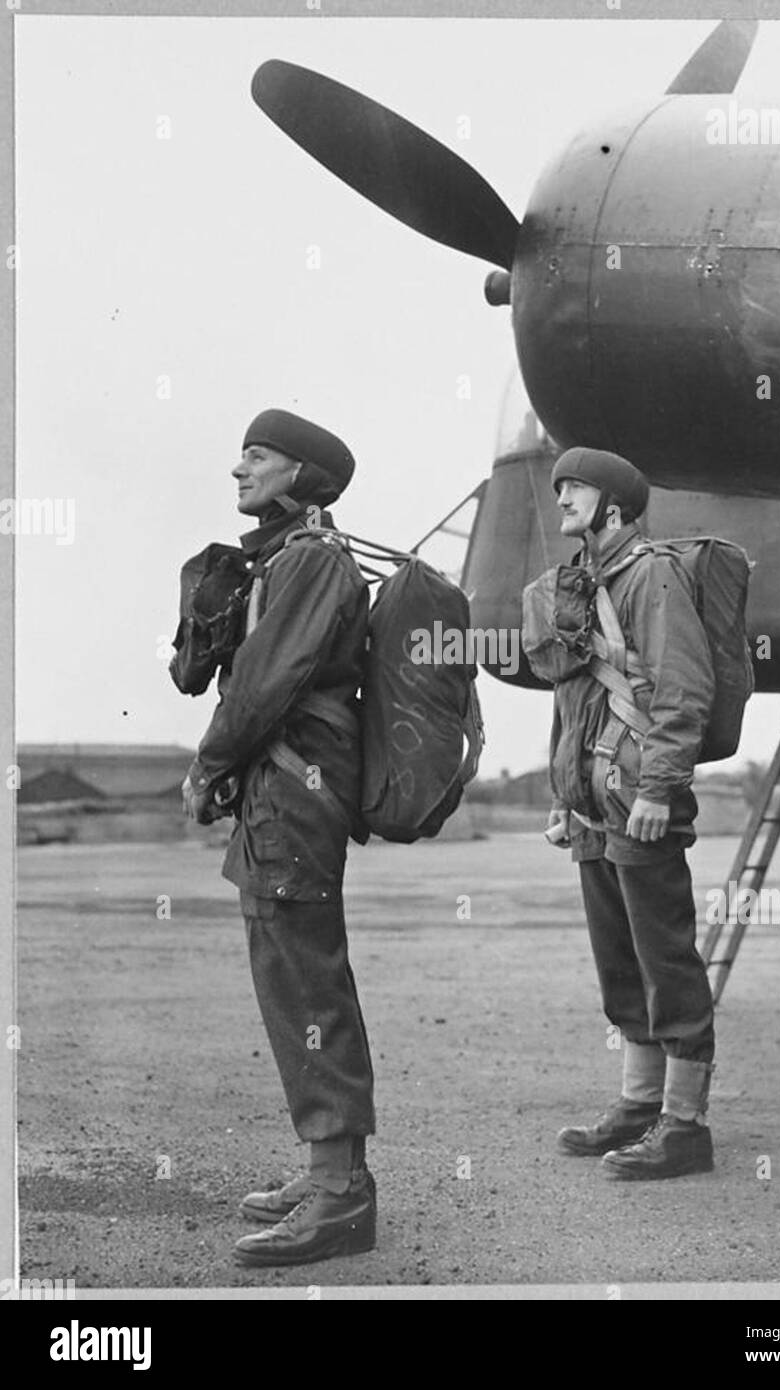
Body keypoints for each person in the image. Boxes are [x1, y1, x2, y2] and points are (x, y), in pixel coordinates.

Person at [180, 408, 376, 1264]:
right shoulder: (291, 559)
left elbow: (262, 683)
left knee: (306, 987)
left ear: (299, 474)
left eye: (256, 457)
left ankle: (340, 1198)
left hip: (295, 791)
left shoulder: (310, 564)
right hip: (279, 791)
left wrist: (206, 765)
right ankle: (330, 1171)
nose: (238, 470)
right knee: (291, 978)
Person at [546, 446, 718, 1180]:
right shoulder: (581, 584)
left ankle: (685, 1126)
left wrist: (658, 787)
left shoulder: (651, 575)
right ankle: (640, 1102)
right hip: (592, 804)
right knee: (620, 962)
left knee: (665, 959)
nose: (560, 502)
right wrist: (563, 798)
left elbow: (685, 689)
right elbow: (572, 698)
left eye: (573, 491)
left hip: (639, 796)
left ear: (613, 505)